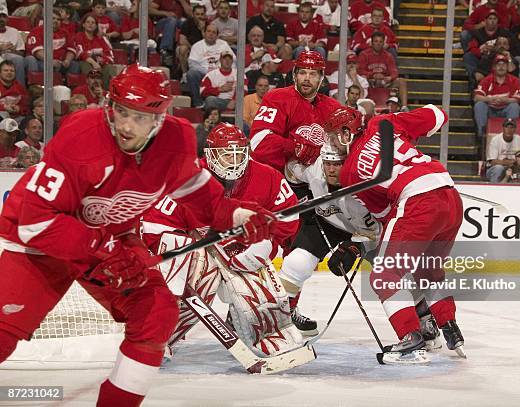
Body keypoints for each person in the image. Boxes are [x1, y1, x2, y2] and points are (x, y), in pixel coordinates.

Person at [0, 64, 277, 407]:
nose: (126, 125)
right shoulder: (81, 135)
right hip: (43, 239)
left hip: (108, 240)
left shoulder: (176, 140)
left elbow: (200, 197)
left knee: (156, 311)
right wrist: (106, 249)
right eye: (121, 112)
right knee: (3, 333)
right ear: (109, 107)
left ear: (160, 118)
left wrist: (240, 214)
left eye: (140, 117)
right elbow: (36, 221)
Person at [140, 123, 300, 357]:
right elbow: (154, 227)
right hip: (199, 253)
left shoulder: (267, 178)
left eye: (239, 153)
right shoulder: (188, 178)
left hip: (243, 253)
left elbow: (289, 216)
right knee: (187, 266)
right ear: (210, 156)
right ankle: (157, 335)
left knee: (260, 283)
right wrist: (187, 245)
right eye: (226, 155)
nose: (234, 161)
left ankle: (271, 335)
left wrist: (267, 245)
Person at [325, 105, 466, 360]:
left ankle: (411, 337)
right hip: (450, 193)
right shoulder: (383, 122)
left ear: (347, 133)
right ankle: (449, 325)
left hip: (418, 201)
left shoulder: (349, 173)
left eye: (334, 136)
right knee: (428, 269)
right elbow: (438, 115)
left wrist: (362, 245)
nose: (332, 143)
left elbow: (387, 215)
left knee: (384, 273)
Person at [279, 141, 381, 335]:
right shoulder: (315, 170)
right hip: (325, 222)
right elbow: (290, 169)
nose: (331, 169)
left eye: (337, 164)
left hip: (361, 232)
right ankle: (283, 317)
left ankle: (424, 320)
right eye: (328, 163)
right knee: (296, 263)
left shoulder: (362, 187)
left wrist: (354, 248)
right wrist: (301, 195)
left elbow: (375, 232)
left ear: (348, 162)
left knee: (393, 274)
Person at [249, 50, 342, 173]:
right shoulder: (277, 98)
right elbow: (258, 140)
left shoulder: (333, 106)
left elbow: (344, 144)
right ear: (294, 75)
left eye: (313, 74)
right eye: (302, 73)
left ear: (321, 78)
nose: (307, 78)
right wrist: (296, 148)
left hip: (317, 173)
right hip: (275, 174)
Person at [473, 54, 520, 138]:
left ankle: (510, 132)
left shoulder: (514, 80)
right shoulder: (486, 80)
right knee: (479, 105)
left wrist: (505, 100)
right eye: (498, 64)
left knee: (514, 106)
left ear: (507, 67)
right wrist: (489, 99)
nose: (501, 67)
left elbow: (518, 99)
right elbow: (476, 97)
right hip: (490, 109)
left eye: (504, 64)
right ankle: (483, 134)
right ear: (494, 67)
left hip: (506, 109)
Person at [187, 24, 235, 108]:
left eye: (214, 32)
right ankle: (198, 104)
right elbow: (192, 65)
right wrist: (208, 72)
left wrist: (224, 72)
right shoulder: (197, 46)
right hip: (204, 73)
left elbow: (233, 60)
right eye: (208, 31)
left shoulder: (223, 44)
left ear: (217, 35)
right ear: (204, 33)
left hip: (222, 72)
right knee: (191, 73)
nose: (211, 34)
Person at [25, 8, 79, 76]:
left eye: (58, 19)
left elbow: (71, 49)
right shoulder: (36, 32)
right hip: (42, 61)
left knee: (75, 64)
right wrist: (51, 61)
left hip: (61, 62)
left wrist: (67, 60)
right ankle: (36, 85)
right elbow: (38, 52)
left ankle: (71, 86)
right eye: (53, 18)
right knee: (31, 59)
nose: (55, 21)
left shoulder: (65, 32)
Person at [73, 14, 115, 88]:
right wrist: (94, 62)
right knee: (87, 66)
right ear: (83, 25)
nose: (90, 24)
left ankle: (106, 93)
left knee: (109, 68)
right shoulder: (79, 36)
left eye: (93, 23)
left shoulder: (101, 39)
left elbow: (110, 55)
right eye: (88, 22)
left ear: (96, 26)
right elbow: (80, 53)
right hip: (86, 62)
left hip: (101, 63)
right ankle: (92, 91)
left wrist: (102, 60)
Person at [486, 118, 520, 182]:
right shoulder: (495, 140)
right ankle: (494, 188)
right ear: (503, 128)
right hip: (495, 169)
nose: (509, 130)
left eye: (511, 127)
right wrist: (510, 162)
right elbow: (493, 161)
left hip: (514, 168)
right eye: (507, 127)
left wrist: (508, 163)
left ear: (515, 129)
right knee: (499, 168)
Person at [176, 4, 208, 80]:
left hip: (204, 49)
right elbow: (182, 40)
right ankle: (184, 75)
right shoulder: (187, 23)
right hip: (189, 48)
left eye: (202, 14)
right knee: (182, 49)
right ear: (193, 15)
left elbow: (208, 42)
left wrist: (202, 30)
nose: (199, 16)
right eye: (197, 14)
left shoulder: (208, 25)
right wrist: (193, 49)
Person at [0, 5, 26, 86]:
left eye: (3, 16)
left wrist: (12, 50)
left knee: (19, 59)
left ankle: (20, 89)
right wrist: (1, 48)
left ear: (7, 19)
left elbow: (22, 53)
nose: (1, 19)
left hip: (10, 57)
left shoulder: (14, 31)